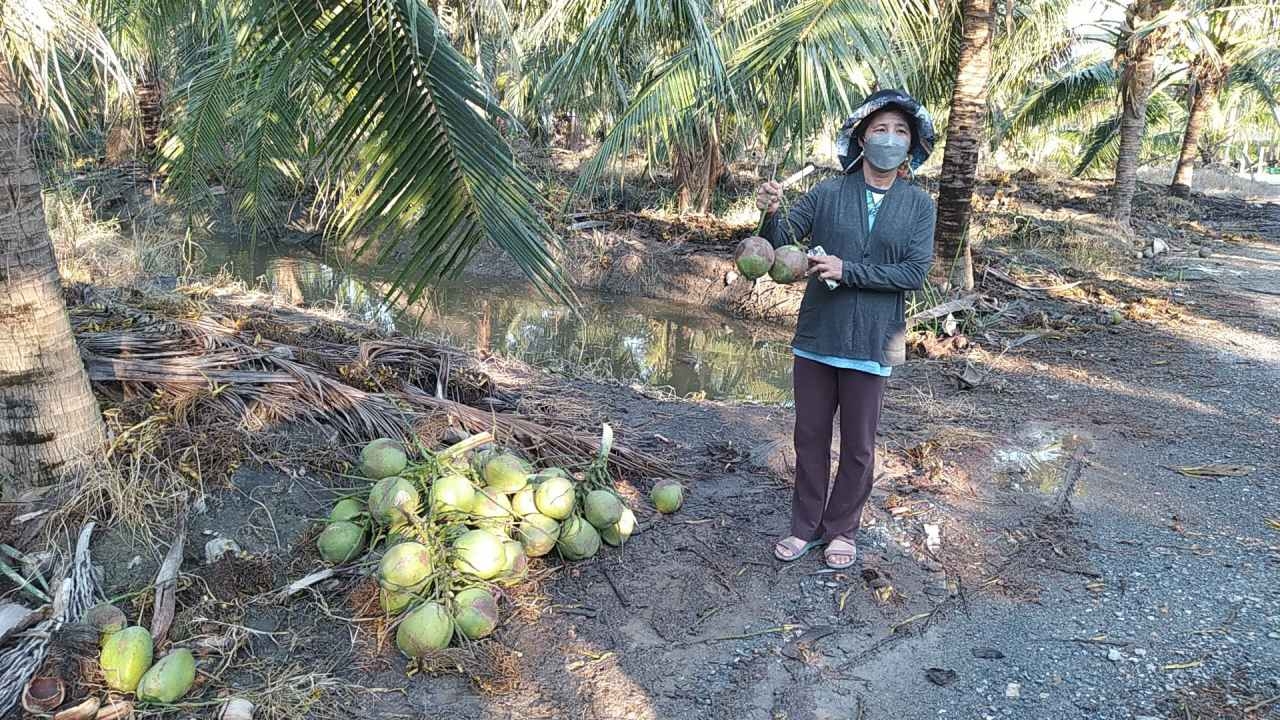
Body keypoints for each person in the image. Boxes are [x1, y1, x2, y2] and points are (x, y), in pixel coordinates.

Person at [757, 89, 937, 569]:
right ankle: (804, 527)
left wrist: (847, 269)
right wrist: (771, 211)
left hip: (877, 340)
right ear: (861, 137)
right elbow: (781, 242)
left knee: (859, 446)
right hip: (819, 337)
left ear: (912, 146)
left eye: (901, 131)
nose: (890, 138)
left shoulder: (919, 205)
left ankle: (842, 530)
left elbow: (913, 275)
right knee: (809, 436)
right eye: (880, 129)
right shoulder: (830, 193)